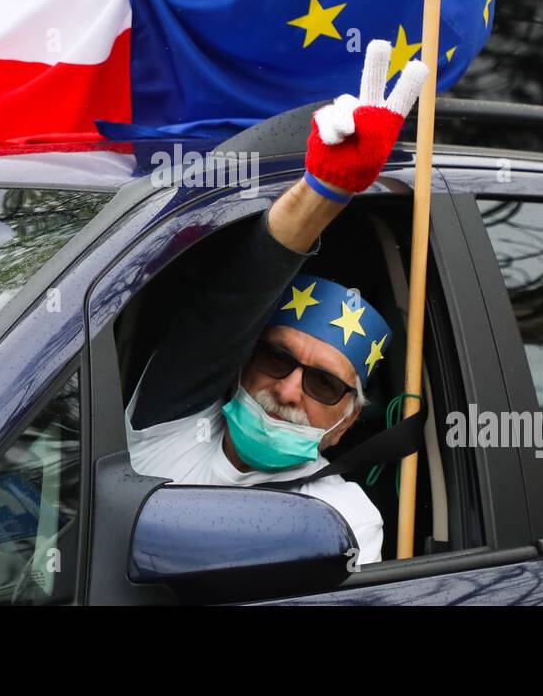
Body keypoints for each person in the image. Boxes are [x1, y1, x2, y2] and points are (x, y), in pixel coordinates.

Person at [124, 41, 428, 565]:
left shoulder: (344, 520)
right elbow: (233, 300)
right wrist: (322, 191)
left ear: (345, 426)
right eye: (276, 357)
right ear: (240, 364)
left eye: (325, 384)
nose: (287, 389)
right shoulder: (169, 429)